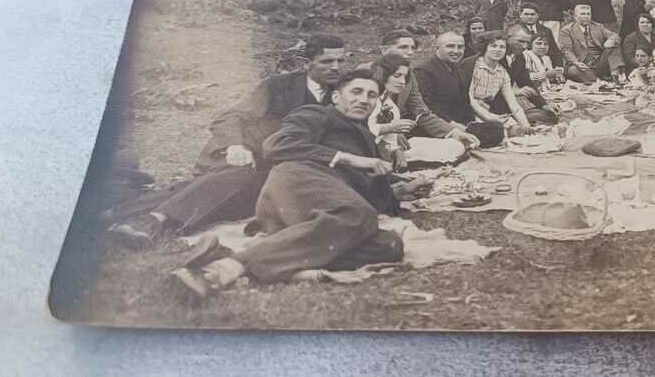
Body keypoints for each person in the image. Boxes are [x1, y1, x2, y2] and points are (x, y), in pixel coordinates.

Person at [168, 69, 429, 299]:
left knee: (388, 245)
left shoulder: (367, 137)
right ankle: (219, 271)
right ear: (337, 97)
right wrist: (349, 159)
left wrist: (399, 191)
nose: (363, 99)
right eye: (356, 92)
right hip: (298, 180)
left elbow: (365, 194)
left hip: (323, 206)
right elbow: (277, 145)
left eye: (372, 96)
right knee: (357, 215)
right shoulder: (315, 113)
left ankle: (259, 258)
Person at [106, 34, 349, 248]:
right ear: (307, 63)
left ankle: (123, 213)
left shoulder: (350, 90)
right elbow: (230, 117)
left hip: (292, 172)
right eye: (328, 61)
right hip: (248, 161)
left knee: (227, 195)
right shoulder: (278, 86)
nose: (336, 67)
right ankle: (151, 221)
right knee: (237, 178)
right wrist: (235, 146)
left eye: (341, 61)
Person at [360, 30, 479, 147]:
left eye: (413, 48)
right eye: (403, 47)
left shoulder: (409, 76)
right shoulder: (365, 72)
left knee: (454, 146)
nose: (410, 52)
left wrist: (454, 133)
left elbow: (421, 112)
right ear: (384, 50)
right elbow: (351, 116)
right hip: (361, 137)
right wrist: (389, 131)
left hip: (393, 136)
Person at [462, 25, 559, 125]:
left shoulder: (519, 57)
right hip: (480, 106)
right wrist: (516, 92)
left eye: (527, 43)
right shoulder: (490, 59)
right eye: (521, 41)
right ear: (508, 38)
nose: (525, 46)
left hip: (506, 105)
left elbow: (526, 83)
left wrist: (544, 105)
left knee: (550, 116)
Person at [464, 31, 532, 131]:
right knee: (498, 133)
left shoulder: (502, 72)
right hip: (468, 111)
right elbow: (469, 99)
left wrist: (526, 125)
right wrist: (490, 118)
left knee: (518, 130)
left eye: (502, 47)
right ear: (485, 47)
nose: (498, 50)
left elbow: (512, 103)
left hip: (490, 110)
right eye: (493, 46)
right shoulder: (473, 66)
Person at [413, 31, 477, 127]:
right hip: (437, 126)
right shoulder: (424, 71)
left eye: (460, 47)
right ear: (436, 48)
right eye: (450, 46)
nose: (456, 51)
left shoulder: (458, 69)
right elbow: (426, 105)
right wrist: (453, 124)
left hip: (461, 124)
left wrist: (472, 123)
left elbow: (464, 102)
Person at [555, 1, 627, 85]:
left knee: (614, 45)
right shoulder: (566, 30)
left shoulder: (598, 26)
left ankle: (616, 76)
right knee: (573, 71)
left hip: (599, 63)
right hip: (580, 64)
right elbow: (566, 50)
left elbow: (615, 36)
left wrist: (610, 40)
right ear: (575, 16)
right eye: (582, 14)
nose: (586, 17)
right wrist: (575, 62)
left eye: (588, 14)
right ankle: (598, 81)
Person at [367, 54, 415, 166]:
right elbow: (360, 131)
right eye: (397, 75)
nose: (402, 82)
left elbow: (388, 137)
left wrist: (395, 149)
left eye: (405, 77)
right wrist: (390, 128)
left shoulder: (388, 103)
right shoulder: (366, 100)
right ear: (382, 75)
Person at [518, 1, 563, 65]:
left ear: (538, 16)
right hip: (522, 64)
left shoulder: (546, 30)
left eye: (532, 14)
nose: (529, 17)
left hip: (543, 64)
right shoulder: (514, 29)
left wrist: (559, 68)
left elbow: (554, 52)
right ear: (520, 15)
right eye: (526, 14)